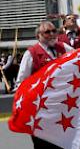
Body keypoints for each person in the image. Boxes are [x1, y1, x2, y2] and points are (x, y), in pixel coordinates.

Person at [16, 21, 73, 149]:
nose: (52, 34)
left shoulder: (64, 47)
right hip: (41, 111)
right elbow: (21, 82)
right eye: (47, 32)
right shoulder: (31, 53)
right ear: (38, 36)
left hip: (62, 108)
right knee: (43, 145)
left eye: (54, 31)